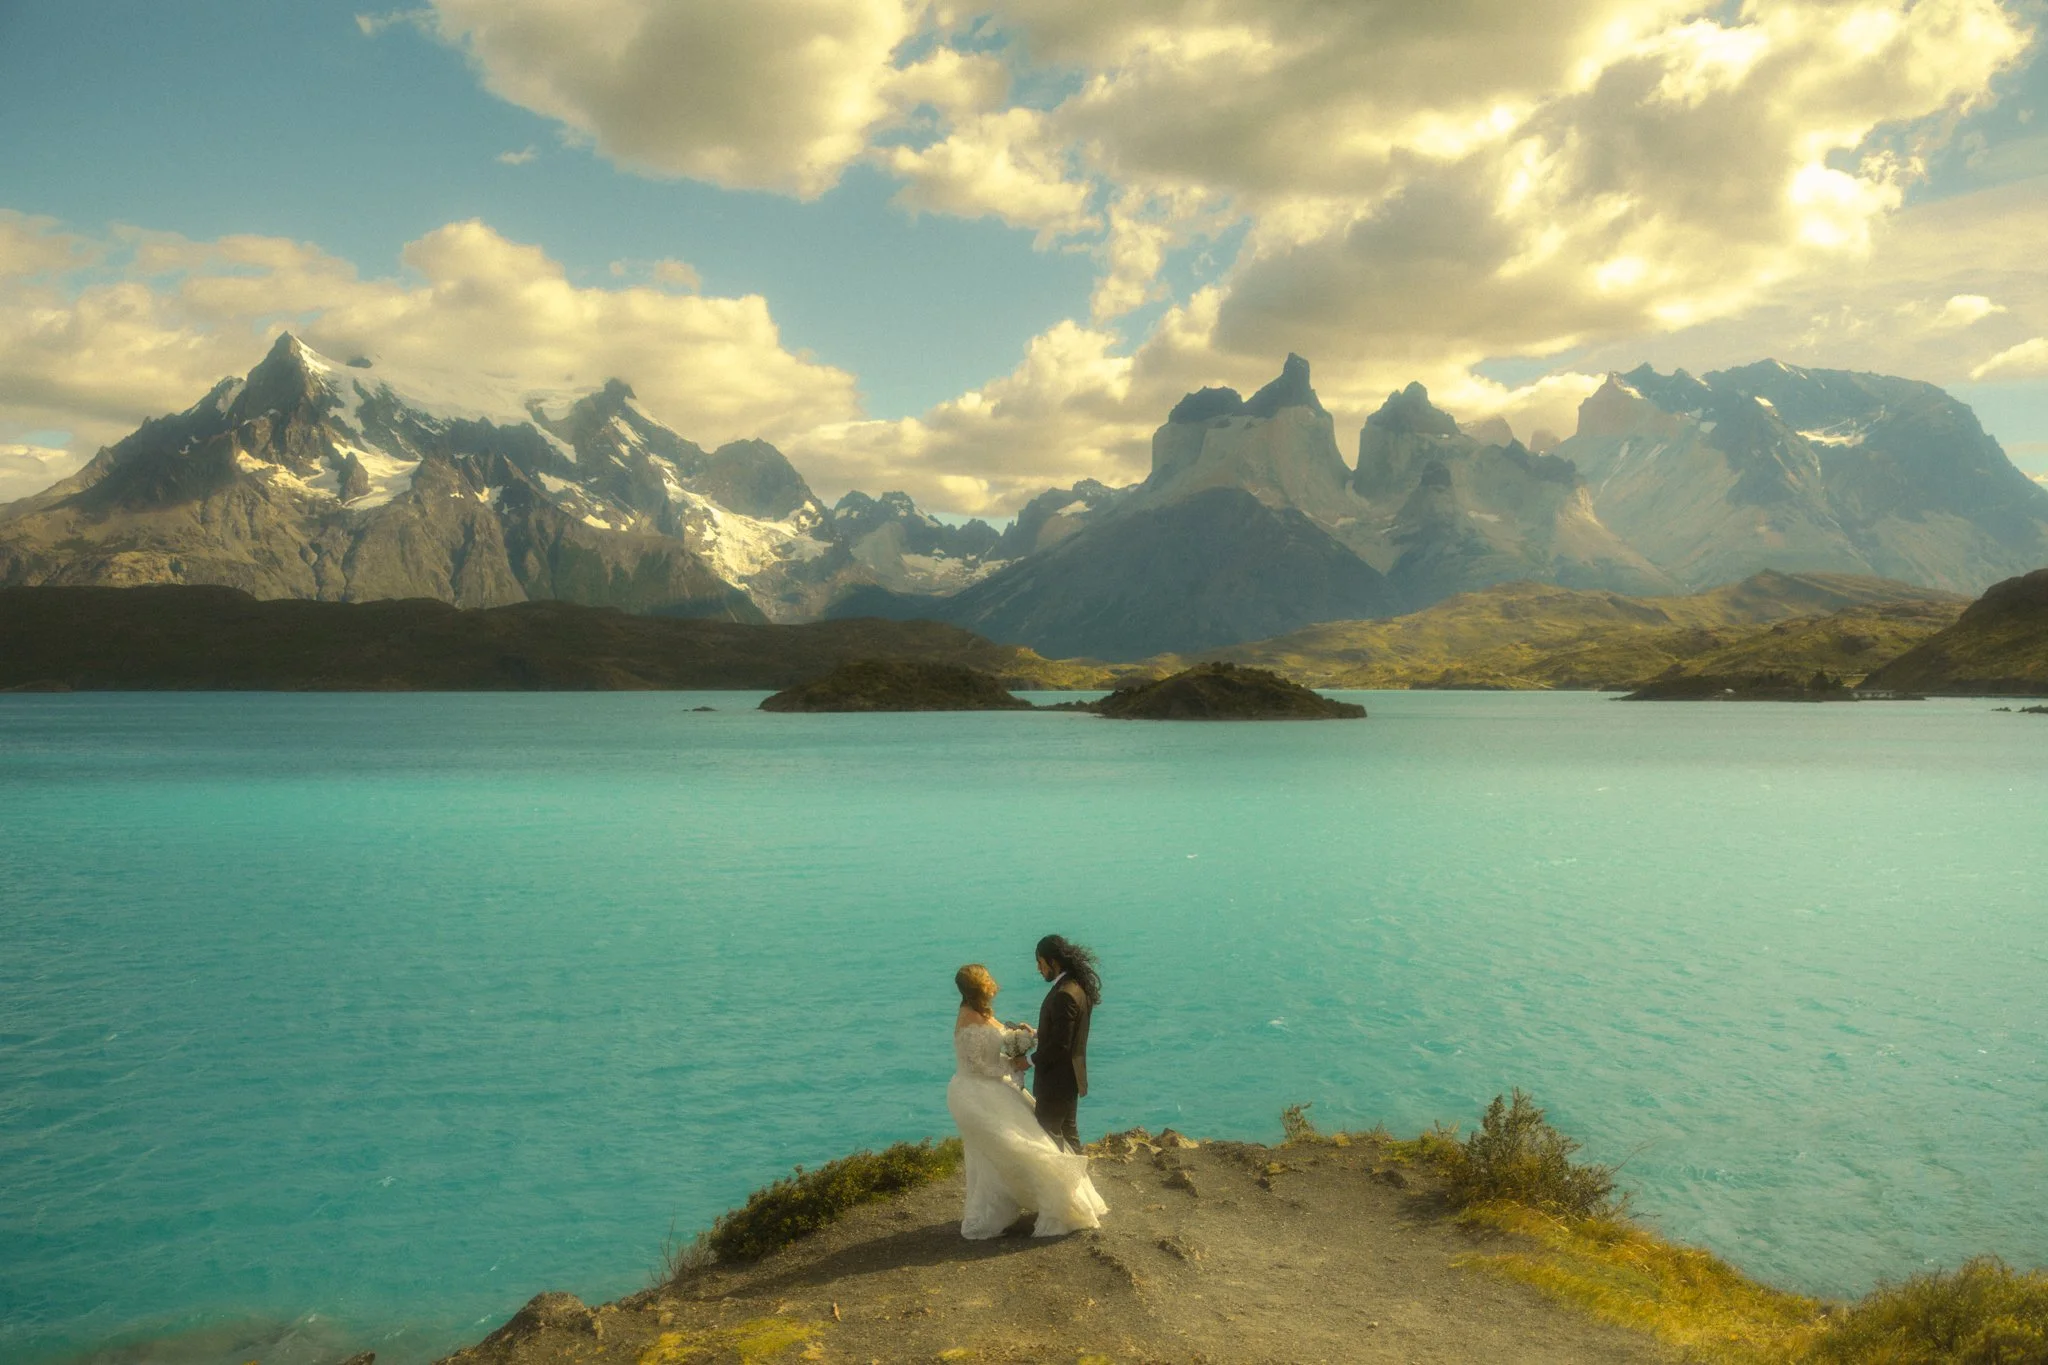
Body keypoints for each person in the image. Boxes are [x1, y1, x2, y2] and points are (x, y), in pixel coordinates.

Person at [946, 963, 1107, 1239]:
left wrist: (1024, 1039)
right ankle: (1001, 1208)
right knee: (1011, 1148)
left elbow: (992, 1050)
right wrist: (1012, 1066)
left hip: (996, 1088)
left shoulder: (979, 1013)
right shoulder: (967, 1020)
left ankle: (1045, 1199)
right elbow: (975, 1066)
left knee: (1014, 1146)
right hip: (976, 1093)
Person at [1028, 934, 1099, 1153]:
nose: (1039, 969)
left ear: (1053, 962)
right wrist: (1038, 1034)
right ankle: (1078, 1184)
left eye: (1040, 963)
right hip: (1070, 1079)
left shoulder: (1064, 994)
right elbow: (1065, 1033)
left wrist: (1028, 1060)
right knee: (1069, 1136)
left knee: (1048, 1138)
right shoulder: (1077, 987)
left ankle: (1060, 1186)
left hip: (1055, 1082)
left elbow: (1061, 1045)